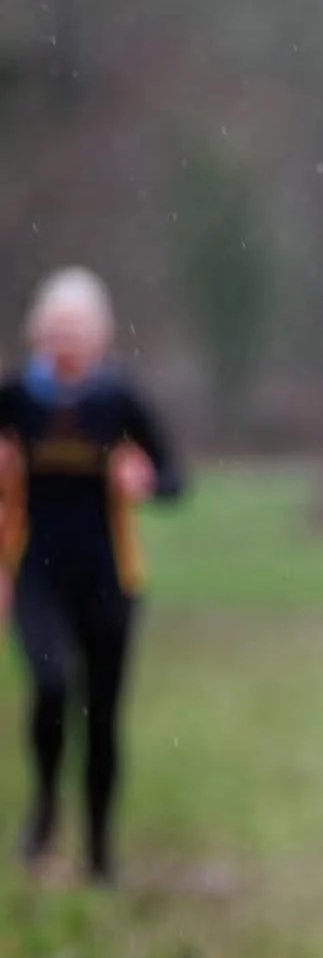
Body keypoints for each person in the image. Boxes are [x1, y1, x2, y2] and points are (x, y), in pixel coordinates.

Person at [0, 267, 185, 883]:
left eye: (77, 329)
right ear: (35, 335)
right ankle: (47, 802)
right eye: (55, 329)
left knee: (102, 716)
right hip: (34, 575)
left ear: (102, 336)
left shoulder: (119, 401)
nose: (65, 340)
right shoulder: (17, 401)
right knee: (51, 686)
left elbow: (177, 479)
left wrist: (146, 480)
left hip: (111, 578)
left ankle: (101, 850)